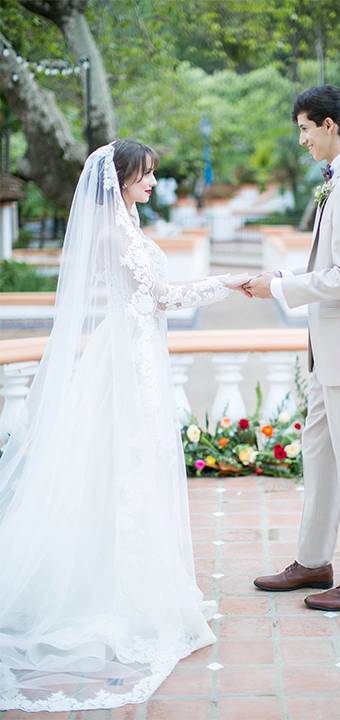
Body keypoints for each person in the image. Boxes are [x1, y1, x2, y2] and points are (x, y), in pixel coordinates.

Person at [0, 140, 247, 711]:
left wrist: (223, 282)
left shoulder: (129, 225)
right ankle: (116, 593)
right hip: (124, 362)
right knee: (117, 464)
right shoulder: (113, 233)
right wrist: (226, 281)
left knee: (130, 464)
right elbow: (159, 297)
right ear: (123, 178)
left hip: (139, 356)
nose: (155, 182)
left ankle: (137, 581)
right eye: (147, 174)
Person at [244, 85, 340, 612]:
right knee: (321, 458)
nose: (302, 140)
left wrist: (282, 288)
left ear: (330, 125)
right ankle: (313, 561)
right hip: (329, 352)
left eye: (306, 129)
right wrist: (283, 278)